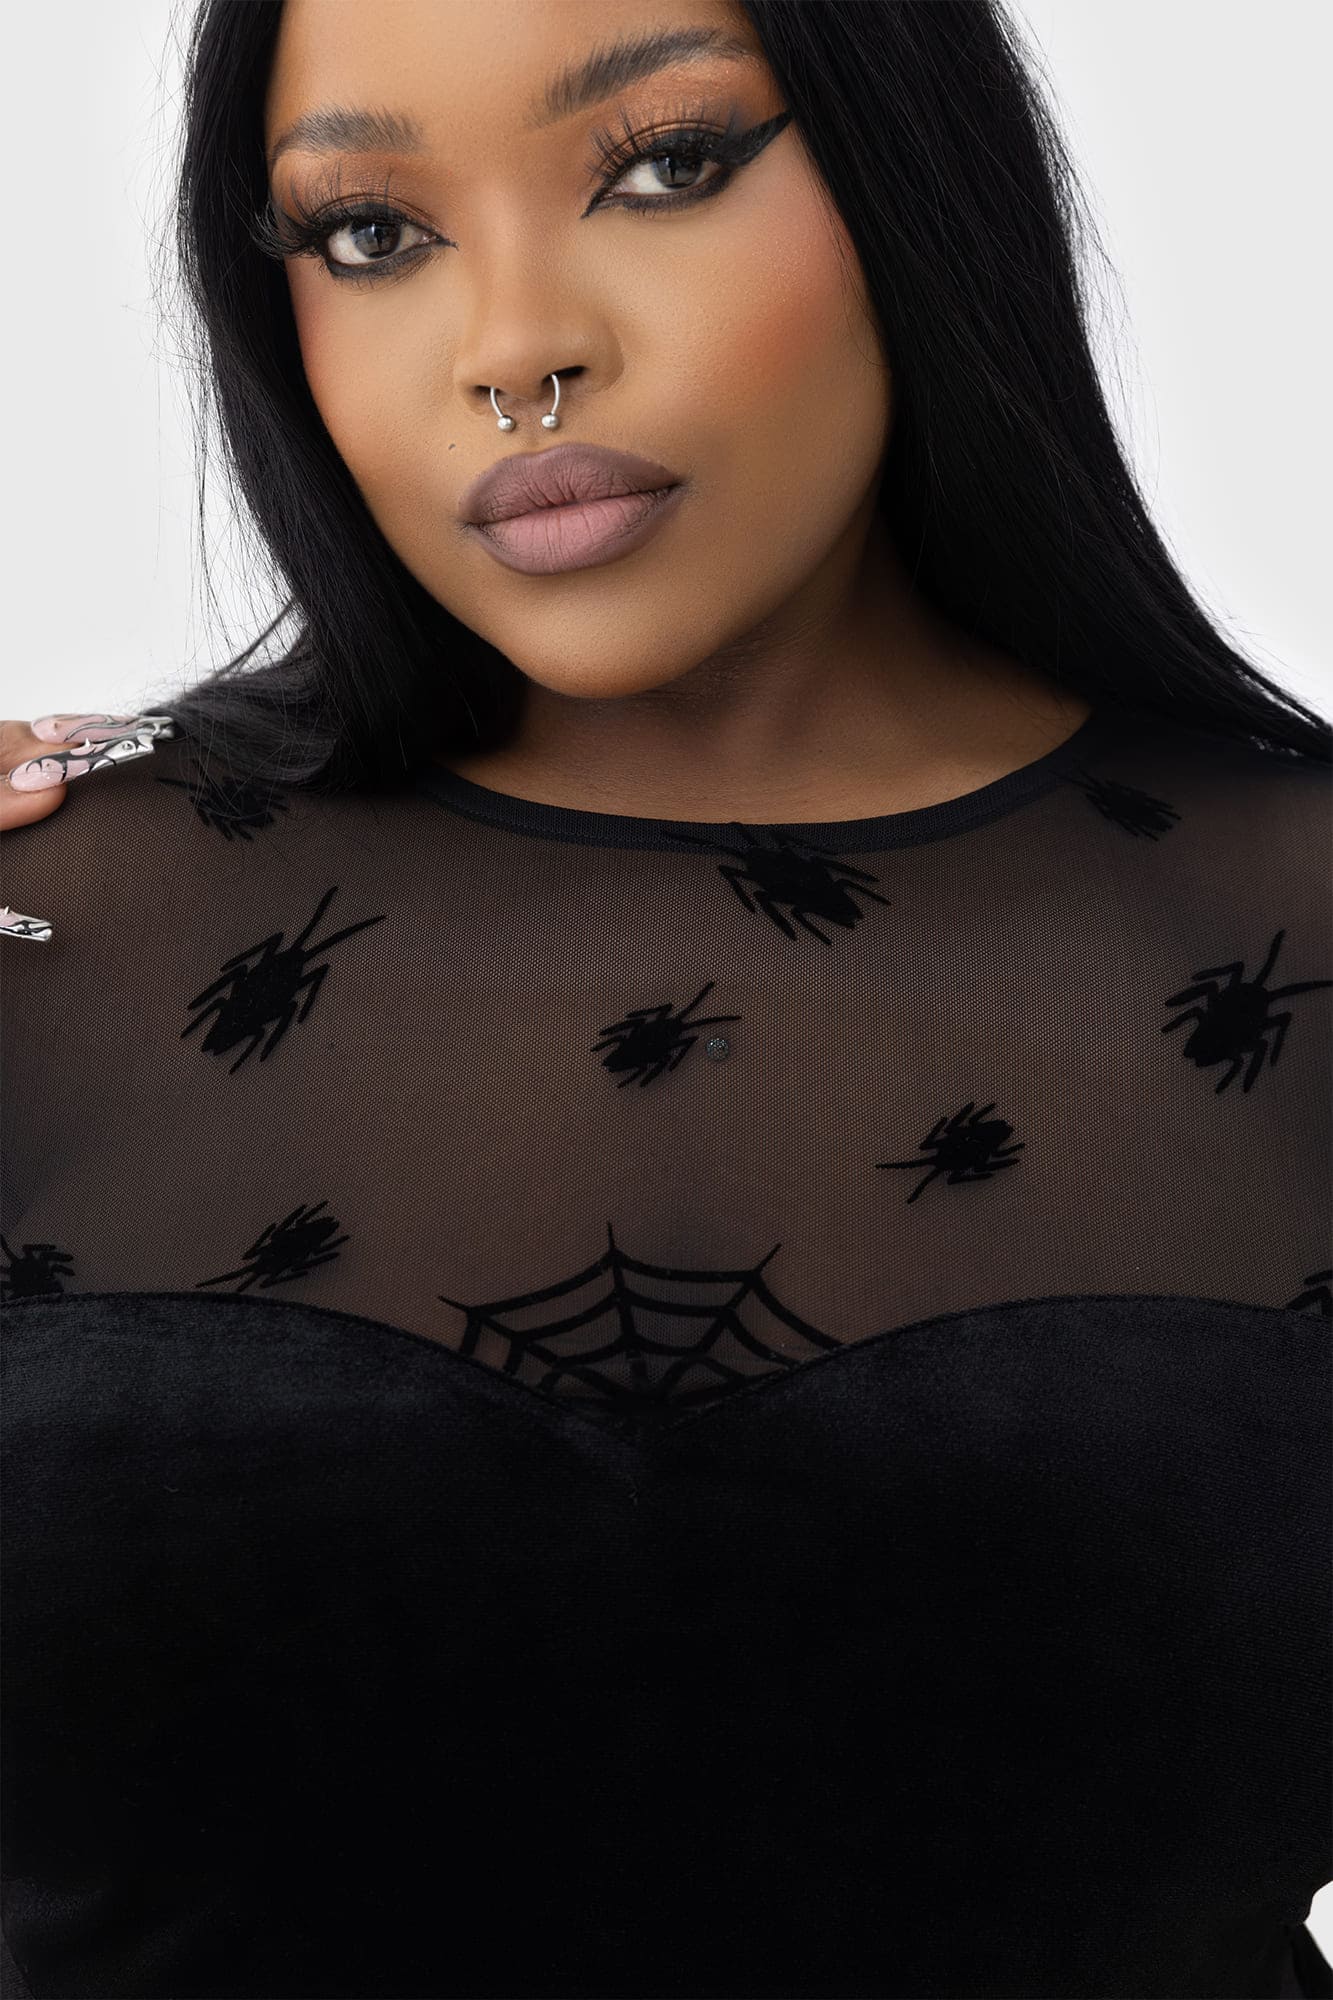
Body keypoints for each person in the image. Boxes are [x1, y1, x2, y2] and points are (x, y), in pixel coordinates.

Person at [2, 2, 1329, 1995]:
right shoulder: (45, 929)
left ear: (918, 176)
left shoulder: (1292, 924)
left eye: (665, 164)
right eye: (371, 231)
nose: (514, 346)